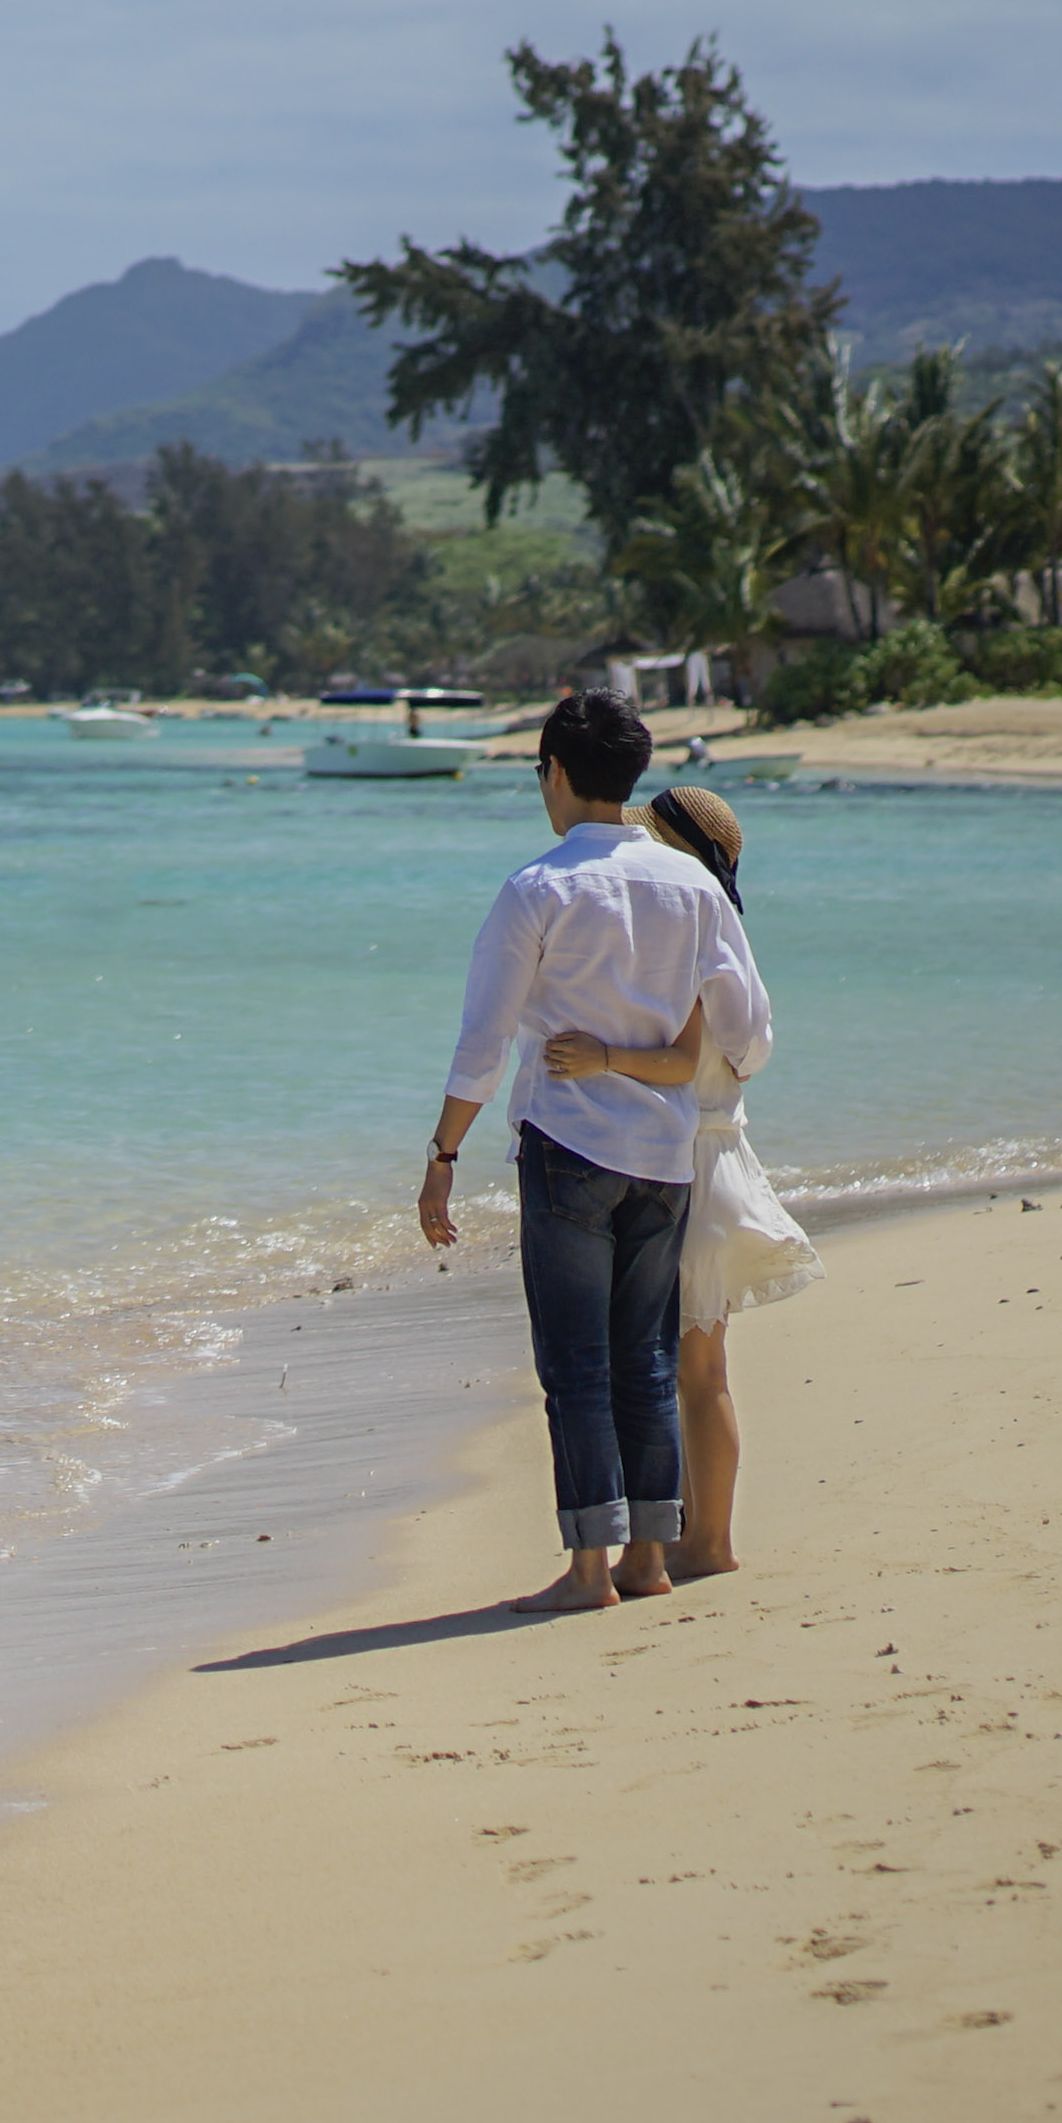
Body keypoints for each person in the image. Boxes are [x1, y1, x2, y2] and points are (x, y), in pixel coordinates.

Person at [414, 689, 772, 1614]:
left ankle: (586, 1571)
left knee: (576, 1364)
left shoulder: (536, 888)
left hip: (569, 1144)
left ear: (557, 774)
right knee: (646, 1358)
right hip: (665, 1156)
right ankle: (647, 1557)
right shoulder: (693, 886)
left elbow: (484, 1042)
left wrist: (444, 1155)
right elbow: (747, 1028)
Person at [551, 782, 767, 1580]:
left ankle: (706, 1541)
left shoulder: (686, 928)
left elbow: (715, 1046)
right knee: (693, 1365)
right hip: (717, 1149)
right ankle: (699, 1535)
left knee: (690, 1368)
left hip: (687, 1155)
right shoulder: (714, 925)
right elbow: (754, 1047)